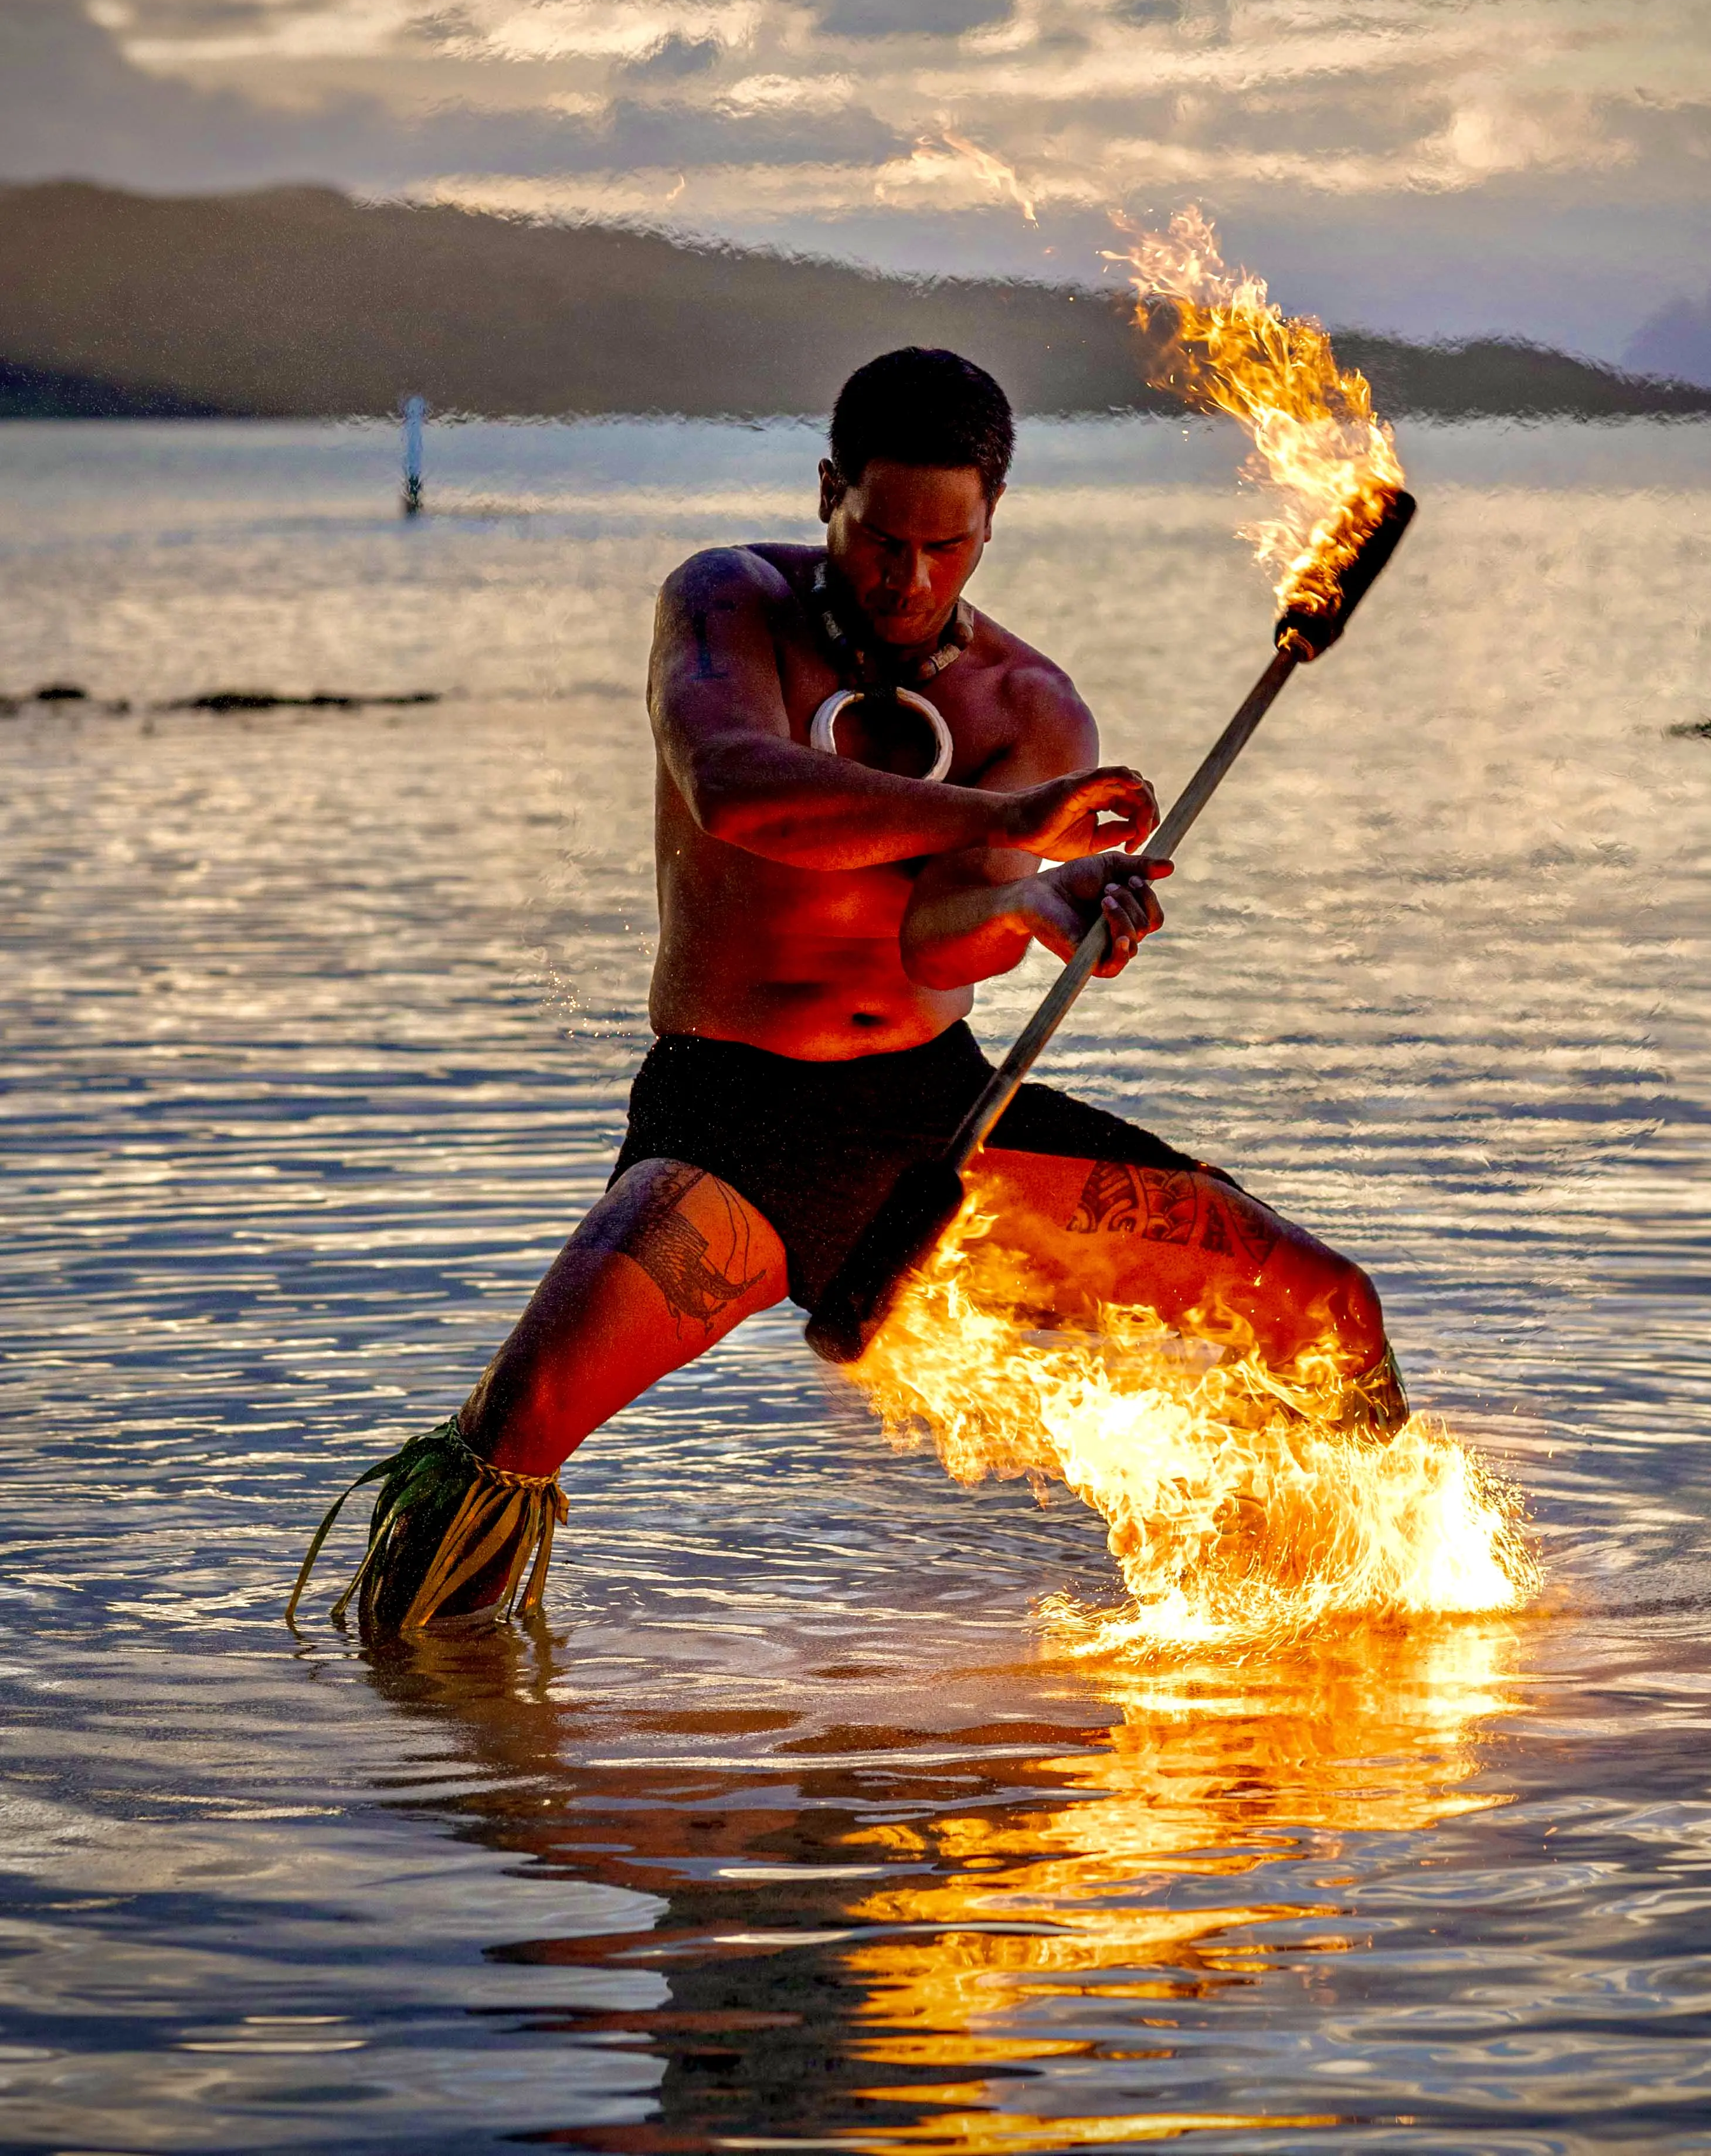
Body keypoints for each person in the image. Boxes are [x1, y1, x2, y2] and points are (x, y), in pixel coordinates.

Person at [290, 347, 1405, 1635]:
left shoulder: (1029, 705)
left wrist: (1032, 900)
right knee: (514, 1425)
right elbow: (737, 789)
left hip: (937, 1123)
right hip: (735, 1123)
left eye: (949, 547)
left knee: (1327, 1302)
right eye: (881, 540)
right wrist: (1009, 815)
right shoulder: (726, 603)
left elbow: (940, 941)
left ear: (990, 524)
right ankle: (417, 1746)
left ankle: (1354, 1625)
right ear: (829, 492)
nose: (911, 578)